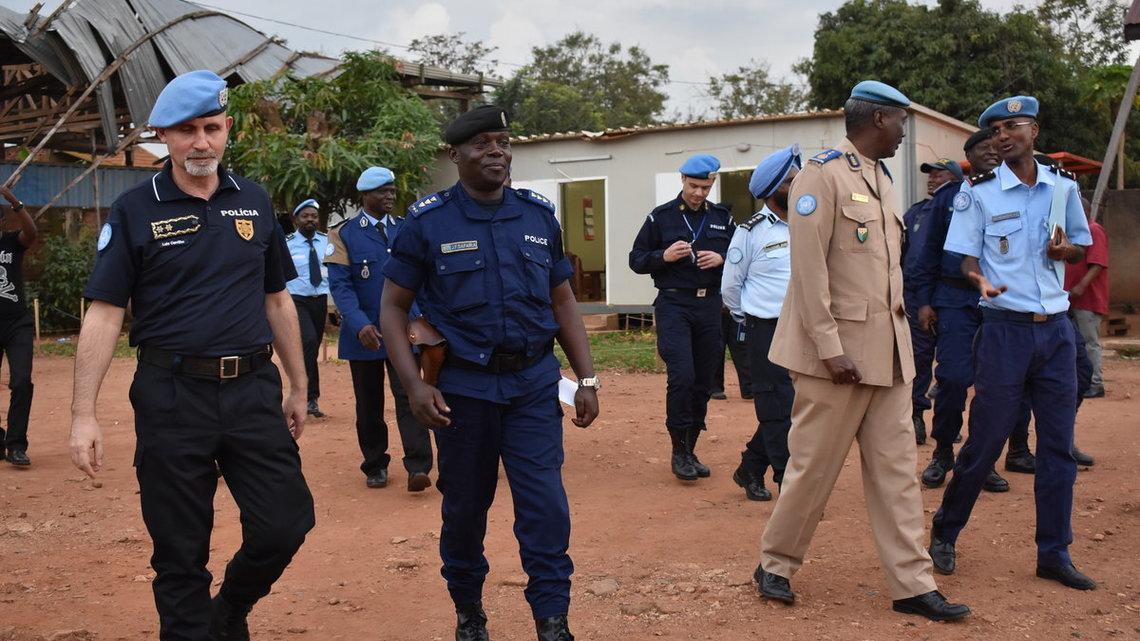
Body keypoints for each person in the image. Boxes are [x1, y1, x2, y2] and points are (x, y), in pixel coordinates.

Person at [68, 69, 315, 641]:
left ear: (227, 128)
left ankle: (228, 610)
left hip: (252, 391)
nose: (201, 142)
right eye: (186, 131)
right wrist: (83, 414)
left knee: (284, 524)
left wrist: (299, 386)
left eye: (211, 128)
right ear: (163, 136)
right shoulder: (135, 209)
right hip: (172, 398)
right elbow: (104, 312)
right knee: (180, 553)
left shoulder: (253, 200)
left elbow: (277, 298)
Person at [378, 104, 599, 641]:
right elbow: (392, 307)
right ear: (456, 155)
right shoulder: (427, 222)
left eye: (503, 141)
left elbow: (563, 300)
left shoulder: (538, 216)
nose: (496, 151)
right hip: (464, 390)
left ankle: (552, 619)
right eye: (482, 144)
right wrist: (414, 385)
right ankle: (469, 610)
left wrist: (587, 378)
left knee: (545, 506)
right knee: (465, 508)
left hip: (533, 385)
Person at [755, 81, 969, 622]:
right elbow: (808, 272)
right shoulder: (820, 175)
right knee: (813, 469)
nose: (904, 132)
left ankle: (912, 583)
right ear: (877, 119)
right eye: (900, 121)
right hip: (837, 359)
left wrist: (903, 351)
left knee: (897, 475)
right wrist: (830, 348)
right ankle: (775, 564)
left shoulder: (882, 177)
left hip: (889, 355)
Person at [929, 95, 1097, 591]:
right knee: (986, 441)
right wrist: (978, 279)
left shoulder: (1062, 187)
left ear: (1034, 131)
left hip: (1056, 331)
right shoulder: (977, 194)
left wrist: (1067, 250)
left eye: (1013, 126)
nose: (1003, 136)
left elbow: (1081, 246)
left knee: (1058, 448)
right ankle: (945, 531)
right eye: (995, 130)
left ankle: (1054, 552)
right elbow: (963, 256)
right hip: (1004, 331)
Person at [910, 140, 1012, 494]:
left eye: (997, 147)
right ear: (968, 157)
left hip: (1001, 302)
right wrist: (924, 302)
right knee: (952, 378)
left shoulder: (1013, 194)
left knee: (993, 386)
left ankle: (982, 461)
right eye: (984, 148)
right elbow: (926, 253)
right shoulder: (950, 198)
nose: (992, 152)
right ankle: (942, 451)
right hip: (954, 299)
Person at [325, 167, 433, 491]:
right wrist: (359, 324)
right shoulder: (344, 234)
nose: (390, 196)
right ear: (366, 195)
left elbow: (422, 279)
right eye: (383, 191)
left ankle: (418, 467)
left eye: (392, 191)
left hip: (405, 330)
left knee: (411, 394)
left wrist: (424, 319)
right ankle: (375, 465)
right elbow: (341, 286)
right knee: (368, 403)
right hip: (366, 334)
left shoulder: (405, 228)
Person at [629, 154, 734, 481]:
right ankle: (678, 450)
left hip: (709, 306)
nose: (699, 193)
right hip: (674, 305)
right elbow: (636, 259)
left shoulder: (722, 218)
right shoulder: (660, 218)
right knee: (682, 376)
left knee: (704, 381)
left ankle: (690, 449)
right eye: (693, 186)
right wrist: (663, 255)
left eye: (705, 187)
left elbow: (742, 256)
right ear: (682, 181)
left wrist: (723, 258)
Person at [721, 144, 800, 502]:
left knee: (796, 406)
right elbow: (730, 287)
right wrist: (749, 318)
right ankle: (788, 484)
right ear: (772, 191)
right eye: (791, 180)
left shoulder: (810, 222)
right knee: (776, 406)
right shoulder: (750, 232)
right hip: (766, 329)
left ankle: (751, 466)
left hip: (805, 328)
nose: (798, 185)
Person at [0, 185, 37, 467]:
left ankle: (15, 445)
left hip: (17, 324)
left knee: (22, 382)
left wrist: (14, 201)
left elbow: (31, 232)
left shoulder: (12, 242)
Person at [285, 198, 329, 418]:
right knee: (309, 342)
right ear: (296, 220)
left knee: (312, 348)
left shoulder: (326, 242)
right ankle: (309, 397)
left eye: (314, 216)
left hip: (320, 300)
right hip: (296, 300)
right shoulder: (287, 244)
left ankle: (308, 396)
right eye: (305, 216)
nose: (310, 220)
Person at [1065, 197, 1109, 399]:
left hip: (1087, 299)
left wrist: (1081, 286)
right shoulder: (1075, 234)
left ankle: (1095, 383)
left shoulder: (1094, 230)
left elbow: (1098, 263)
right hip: (1072, 299)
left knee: (1089, 341)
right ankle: (1083, 381)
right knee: (1076, 342)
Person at [711, 306, 751, 400]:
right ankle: (715, 387)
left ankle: (748, 387)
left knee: (742, 347)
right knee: (717, 348)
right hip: (716, 309)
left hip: (737, 309)